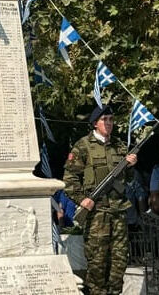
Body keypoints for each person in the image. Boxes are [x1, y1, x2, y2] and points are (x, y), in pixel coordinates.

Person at [62, 105, 137, 295]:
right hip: (96, 214)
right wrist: (82, 200)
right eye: (105, 120)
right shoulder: (82, 146)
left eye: (111, 120)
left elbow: (127, 180)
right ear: (95, 123)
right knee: (97, 262)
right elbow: (69, 179)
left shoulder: (120, 147)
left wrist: (130, 167)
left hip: (118, 211)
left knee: (119, 261)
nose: (109, 123)